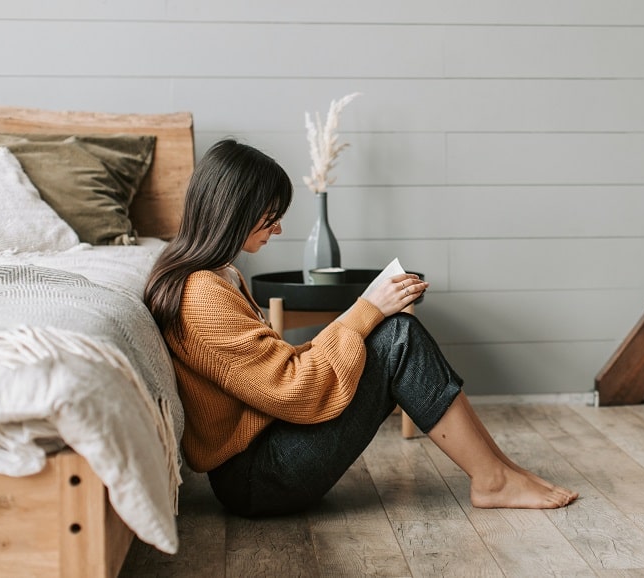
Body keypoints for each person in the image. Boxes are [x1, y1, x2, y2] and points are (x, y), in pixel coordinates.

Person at [144, 139, 577, 517]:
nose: (278, 227)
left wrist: (367, 313)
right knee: (397, 338)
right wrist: (366, 309)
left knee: (394, 331)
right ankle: (493, 478)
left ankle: (499, 469)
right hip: (258, 478)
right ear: (232, 213)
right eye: (269, 216)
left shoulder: (223, 276)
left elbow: (275, 371)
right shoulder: (201, 294)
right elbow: (294, 389)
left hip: (267, 452)